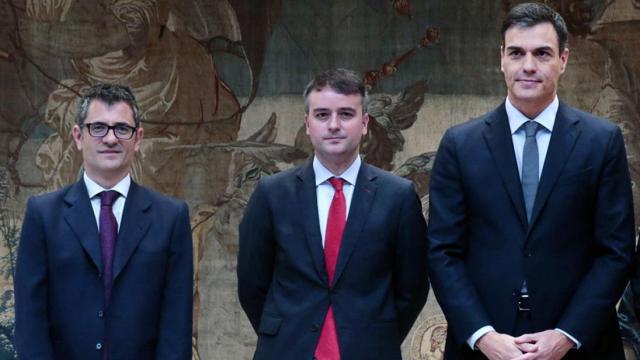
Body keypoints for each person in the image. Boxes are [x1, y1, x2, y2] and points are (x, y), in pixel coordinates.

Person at [427, 3, 635, 359]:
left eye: (542, 53)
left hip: (579, 345)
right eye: (517, 53)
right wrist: (483, 336)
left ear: (563, 59)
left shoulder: (602, 141)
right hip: (484, 346)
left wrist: (567, 334)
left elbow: (615, 251)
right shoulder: (460, 145)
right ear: (501, 59)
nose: (528, 66)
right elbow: (443, 252)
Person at [237, 68, 429, 359]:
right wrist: (289, 331)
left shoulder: (398, 197)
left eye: (346, 114)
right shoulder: (271, 194)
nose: (334, 125)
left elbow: (411, 289)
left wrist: (374, 334)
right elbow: (252, 284)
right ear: (307, 124)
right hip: (287, 349)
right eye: (322, 115)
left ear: (364, 123)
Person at [14, 84, 193, 359]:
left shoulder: (170, 218)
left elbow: (176, 323)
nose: (110, 139)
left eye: (122, 129)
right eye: (98, 128)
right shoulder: (43, 215)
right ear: (77, 135)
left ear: (138, 138)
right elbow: (30, 319)